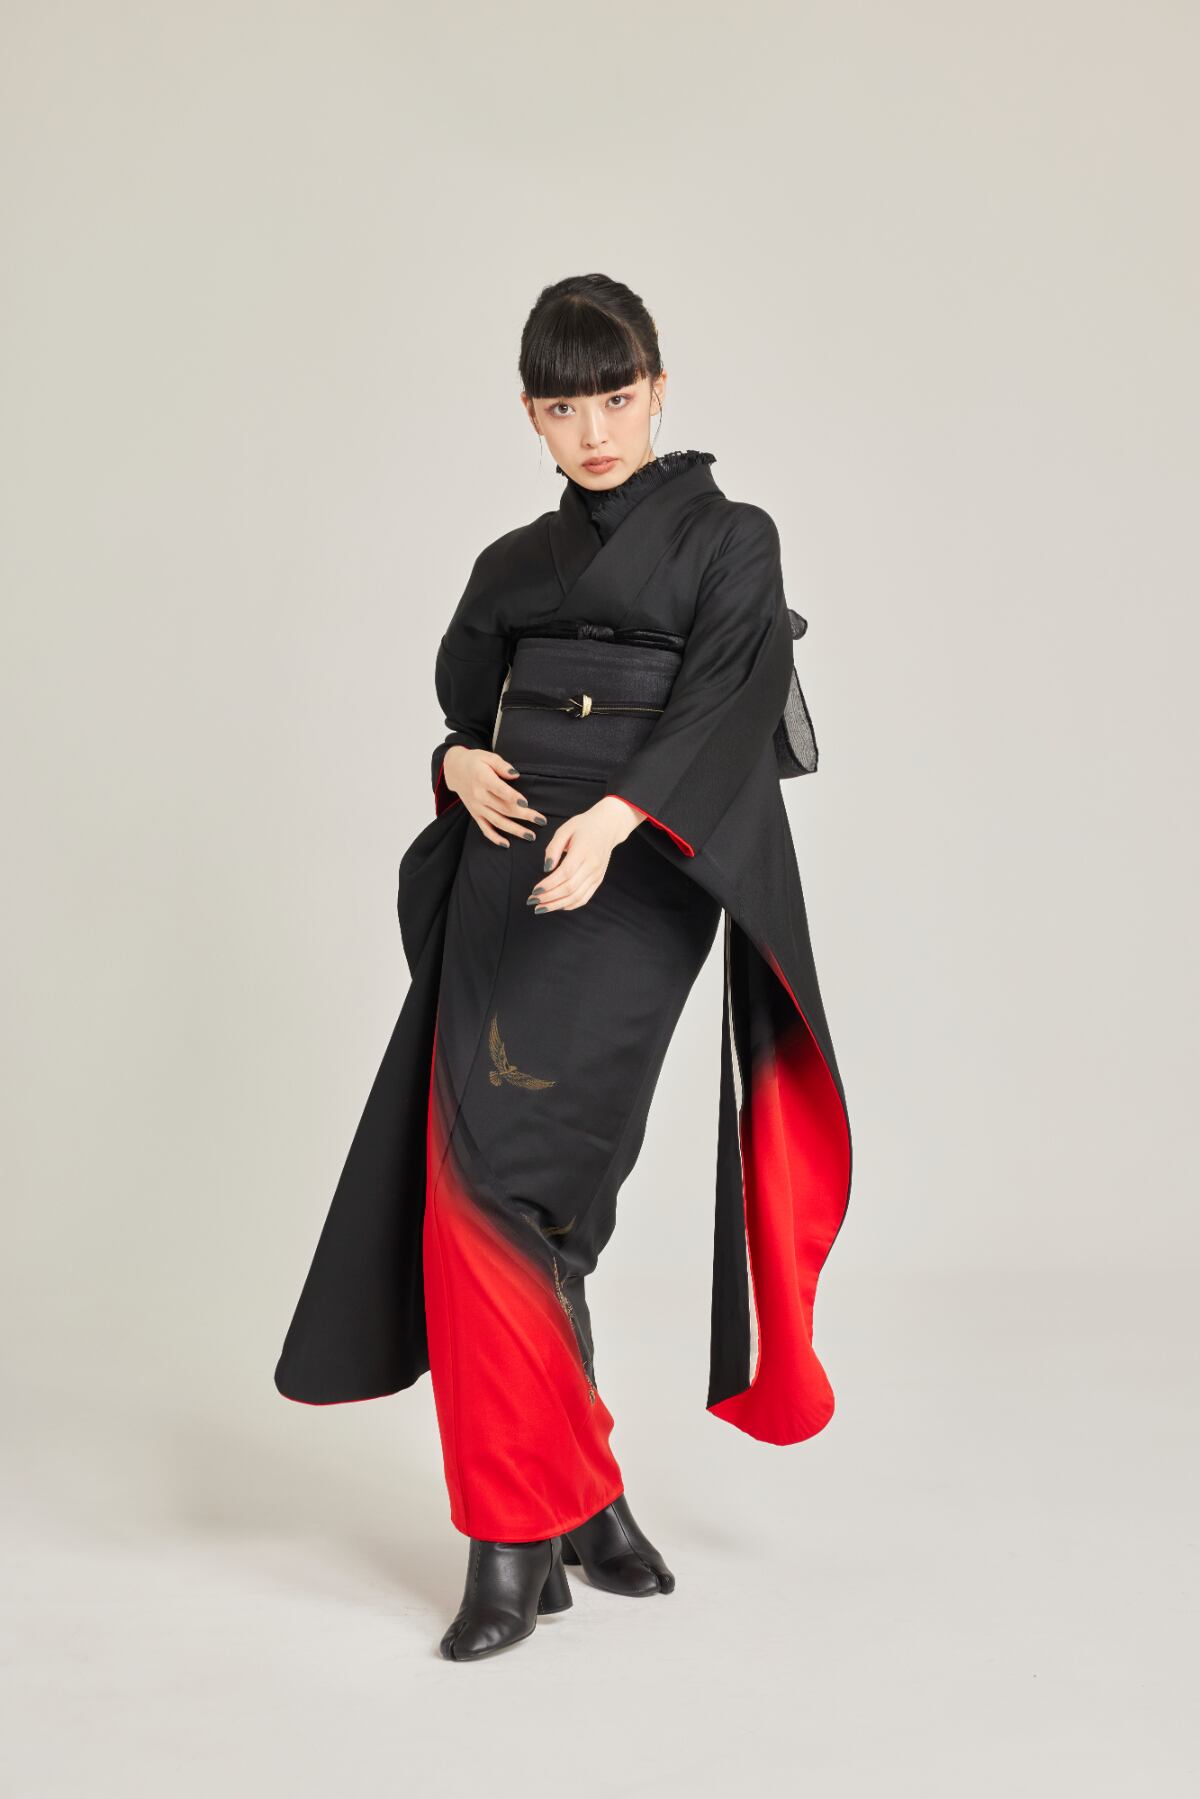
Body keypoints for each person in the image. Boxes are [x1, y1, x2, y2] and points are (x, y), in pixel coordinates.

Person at [274, 273, 853, 1661]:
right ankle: (529, 1529)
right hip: (506, 876)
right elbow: (464, 703)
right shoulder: (512, 563)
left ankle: (559, 1510)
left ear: (657, 388)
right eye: (559, 407)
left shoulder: (733, 539)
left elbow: (724, 709)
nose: (592, 431)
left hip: (639, 881)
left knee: (543, 1192)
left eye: (614, 397)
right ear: (529, 416)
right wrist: (455, 761)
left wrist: (615, 818)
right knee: (496, 1198)